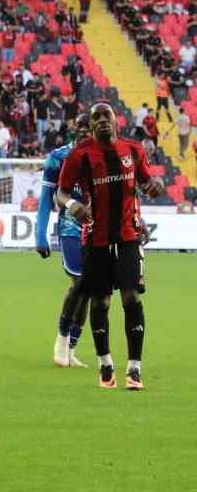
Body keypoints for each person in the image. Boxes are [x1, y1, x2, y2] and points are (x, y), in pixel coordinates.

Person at [58, 101, 166, 389]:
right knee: (101, 301)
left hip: (129, 237)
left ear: (116, 120)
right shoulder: (80, 156)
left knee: (131, 298)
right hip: (96, 240)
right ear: (91, 124)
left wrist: (155, 185)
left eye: (107, 115)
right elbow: (62, 192)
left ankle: (134, 369)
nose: (103, 120)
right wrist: (72, 205)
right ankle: (105, 364)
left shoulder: (133, 150)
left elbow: (146, 183)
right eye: (97, 117)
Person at [37, 114, 92, 369]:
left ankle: (70, 350)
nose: (84, 131)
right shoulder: (58, 157)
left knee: (90, 291)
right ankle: (61, 339)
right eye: (80, 126)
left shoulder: (104, 156)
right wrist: (41, 235)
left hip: (96, 230)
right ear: (73, 129)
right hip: (70, 227)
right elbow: (47, 198)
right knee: (80, 283)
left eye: (88, 128)